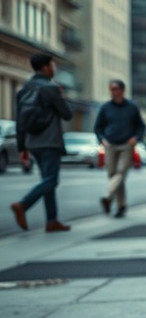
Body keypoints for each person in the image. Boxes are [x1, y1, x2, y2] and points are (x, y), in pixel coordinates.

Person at [9, 53, 73, 233]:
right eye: (52, 65)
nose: (54, 69)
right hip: (50, 141)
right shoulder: (51, 88)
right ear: (45, 67)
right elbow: (67, 114)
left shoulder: (24, 89)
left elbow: (19, 121)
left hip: (32, 142)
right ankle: (23, 205)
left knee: (46, 180)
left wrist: (22, 147)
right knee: (51, 180)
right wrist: (62, 96)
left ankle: (52, 221)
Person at [94, 79, 145, 218]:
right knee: (112, 175)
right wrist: (102, 140)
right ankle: (121, 205)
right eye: (112, 89)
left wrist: (136, 138)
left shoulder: (132, 107)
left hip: (126, 145)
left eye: (116, 89)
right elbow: (98, 128)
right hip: (110, 144)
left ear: (122, 90)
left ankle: (108, 197)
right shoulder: (105, 108)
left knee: (121, 172)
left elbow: (141, 127)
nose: (114, 92)